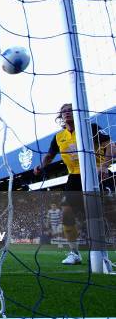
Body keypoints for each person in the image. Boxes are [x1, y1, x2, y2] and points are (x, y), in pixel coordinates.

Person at [34, 103, 113, 265]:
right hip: (74, 177)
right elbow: (49, 156)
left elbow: (112, 146)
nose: (67, 113)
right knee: (66, 214)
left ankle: (104, 253)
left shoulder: (90, 128)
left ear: (77, 112)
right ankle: (74, 253)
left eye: (70, 110)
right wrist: (41, 167)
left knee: (103, 213)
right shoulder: (58, 137)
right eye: (64, 111)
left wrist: (104, 166)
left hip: (95, 174)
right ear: (61, 116)